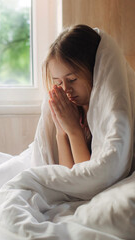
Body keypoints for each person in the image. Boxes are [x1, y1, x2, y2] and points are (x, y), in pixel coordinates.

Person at [43, 24, 101, 168]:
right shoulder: (75, 111)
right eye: (58, 82)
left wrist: (74, 130)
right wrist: (61, 132)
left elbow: (87, 176)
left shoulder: (103, 113)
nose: (66, 89)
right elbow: (67, 174)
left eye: (72, 80)